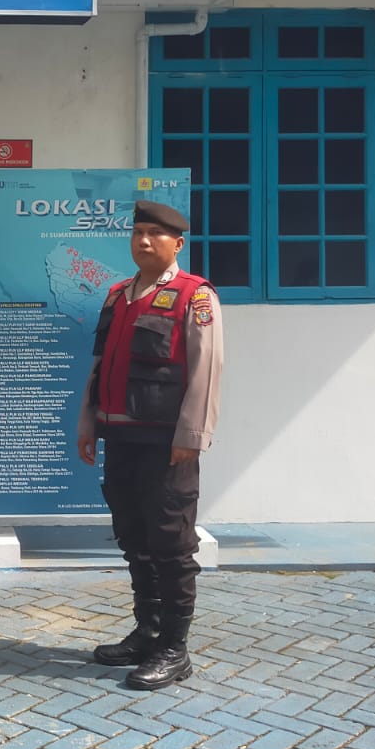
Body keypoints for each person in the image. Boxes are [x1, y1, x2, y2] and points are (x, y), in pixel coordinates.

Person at [77, 199, 223, 690]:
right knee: (134, 538)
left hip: (166, 444)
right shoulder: (117, 295)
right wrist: (88, 423)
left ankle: (174, 648)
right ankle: (148, 631)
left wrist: (192, 436)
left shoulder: (194, 296)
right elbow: (99, 365)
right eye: (137, 232)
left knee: (171, 545)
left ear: (177, 244)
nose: (143, 241)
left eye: (155, 234)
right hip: (120, 436)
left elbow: (206, 369)